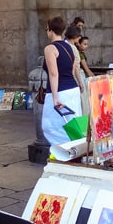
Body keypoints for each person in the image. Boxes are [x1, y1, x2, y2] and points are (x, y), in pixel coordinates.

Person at [41, 16, 82, 146]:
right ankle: (75, 149)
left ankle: (64, 151)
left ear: (51, 30)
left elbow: (54, 73)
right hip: (72, 89)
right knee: (72, 124)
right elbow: (72, 69)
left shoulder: (50, 49)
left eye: (47, 29)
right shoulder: (69, 47)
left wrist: (54, 97)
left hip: (59, 91)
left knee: (50, 126)